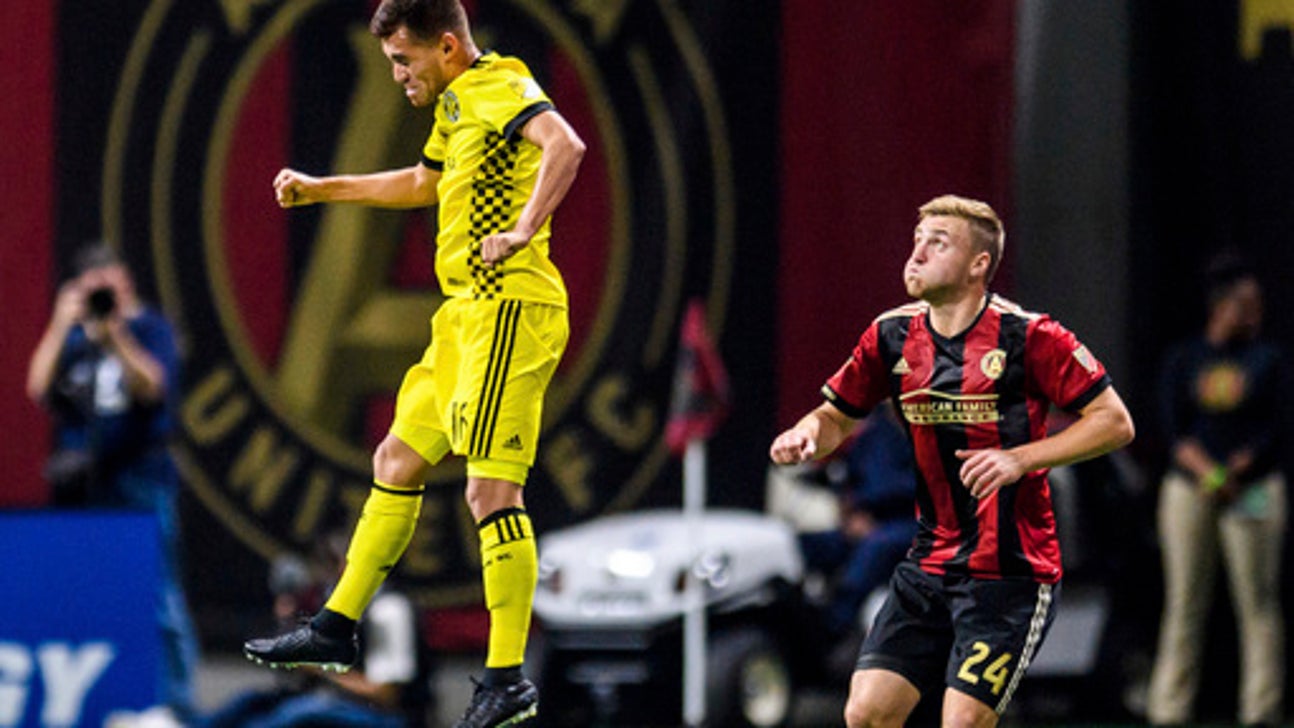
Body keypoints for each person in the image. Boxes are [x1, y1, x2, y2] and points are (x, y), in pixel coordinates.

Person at [242, 2, 586, 726]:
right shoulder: (459, 104)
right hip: (460, 313)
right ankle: (335, 628)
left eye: (404, 60)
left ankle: (505, 678)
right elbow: (424, 184)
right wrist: (321, 187)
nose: (396, 75)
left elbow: (567, 146)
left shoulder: (499, 84)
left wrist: (525, 228)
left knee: (491, 494)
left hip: (508, 309)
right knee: (395, 459)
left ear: (450, 46)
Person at [769, 194, 1135, 728]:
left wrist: (1019, 460)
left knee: (961, 722)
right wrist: (806, 433)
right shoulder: (891, 335)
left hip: (1010, 573)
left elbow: (1115, 421)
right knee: (867, 712)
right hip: (929, 564)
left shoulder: (1030, 337)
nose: (916, 254)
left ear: (978, 265)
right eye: (916, 241)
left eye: (937, 243)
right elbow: (836, 417)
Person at [26, 242, 200, 723]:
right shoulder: (76, 337)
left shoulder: (150, 328)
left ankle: (177, 706)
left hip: (142, 477)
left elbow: (153, 385)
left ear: (126, 280)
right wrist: (64, 324)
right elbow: (39, 388)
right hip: (87, 481)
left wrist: (115, 334)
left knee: (161, 596)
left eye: (112, 282)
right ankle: (97, 700)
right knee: (87, 590)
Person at [1146, 254, 1287, 727]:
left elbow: (1277, 427)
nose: (1255, 313)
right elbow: (1173, 430)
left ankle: (1261, 709)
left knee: (1258, 601)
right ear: (1222, 307)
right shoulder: (1186, 359)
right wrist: (1212, 476)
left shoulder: (1267, 360)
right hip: (1192, 488)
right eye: (1246, 304)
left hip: (1254, 489)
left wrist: (1239, 471)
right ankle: (1169, 710)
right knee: (1185, 600)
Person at [205, 532, 433, 727]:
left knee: (297, 714)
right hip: (336, 699)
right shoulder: (333, 602)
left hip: (390, 718)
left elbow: (386, 695)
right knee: (251, 701)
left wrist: (318, 669)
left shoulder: (389, 610)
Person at [798, 403, 918, 637]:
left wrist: (871, 515)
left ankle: (835, 626)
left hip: (912, 522)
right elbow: (849, 479)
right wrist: (851, 513)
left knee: (876, 547)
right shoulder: (874, 433)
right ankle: (796, 616)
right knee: (809, 544)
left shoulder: (931, 432)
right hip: (864, 521)